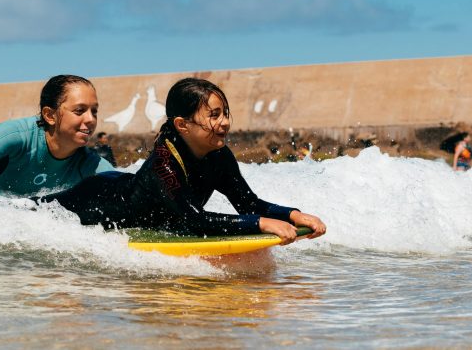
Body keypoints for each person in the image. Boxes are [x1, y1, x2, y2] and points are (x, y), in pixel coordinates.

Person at [36, 78, 326, 243]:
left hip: (119, 185)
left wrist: (292, 215)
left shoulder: (219, 155)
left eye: (225, 113)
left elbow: (247, 203)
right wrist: (259, 224)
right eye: (214, 115)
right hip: (95, 200)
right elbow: (193, 220)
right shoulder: (165, 163)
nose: (224, 122)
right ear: (182, 124)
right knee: (33, 211)